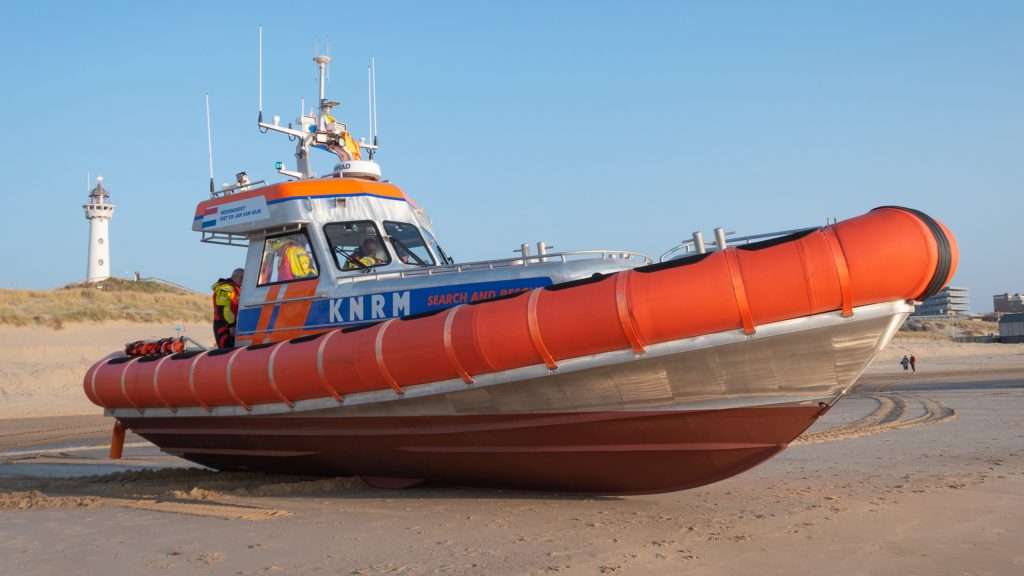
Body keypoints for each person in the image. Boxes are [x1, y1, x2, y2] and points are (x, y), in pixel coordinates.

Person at [212, 268, 243, 348]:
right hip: (224, 325)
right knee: (227, 348)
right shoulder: (226, 288)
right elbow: (223, 308)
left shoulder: (237, 289)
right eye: (242, 278)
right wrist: (231, 326)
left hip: (233, 324)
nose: (243, 281)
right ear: (235, 276)